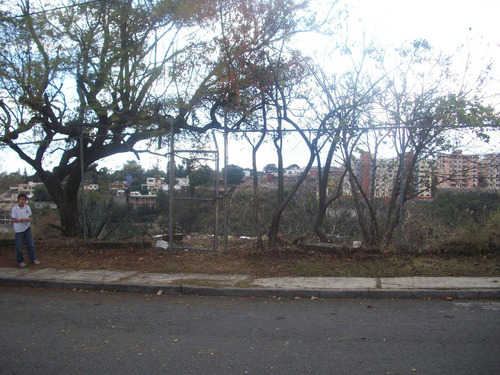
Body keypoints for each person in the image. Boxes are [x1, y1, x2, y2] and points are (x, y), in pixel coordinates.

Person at [11, 193, 40, 267]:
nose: (22, 201)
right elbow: (14, 219)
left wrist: (27, 220)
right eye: (20, 199)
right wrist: (22, 220)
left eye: (23, 199)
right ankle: (20, 261)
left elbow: (30, 217)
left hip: (27, 228)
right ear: (18, 200)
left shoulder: (27, 207)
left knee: (30, 244)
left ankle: (33, 259)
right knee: (19, 246)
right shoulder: (15, 209)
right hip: (18, 230)